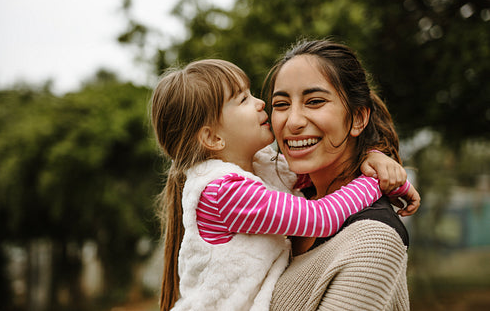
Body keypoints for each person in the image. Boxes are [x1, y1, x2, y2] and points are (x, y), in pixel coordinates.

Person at [151, 59, 419, 311]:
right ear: (213, 137)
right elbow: (320, 217)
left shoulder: (260, 167)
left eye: (253, 94)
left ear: (358, 117)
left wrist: (374, 157)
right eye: (243, 100)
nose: (260, 104)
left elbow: (319, 173)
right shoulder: (226, 192)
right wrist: (375, 181)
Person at [266, 38, 419, 310]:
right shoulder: (283, 200)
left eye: (314, 101)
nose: (293, 121)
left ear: (358, 118)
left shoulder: (373, 241)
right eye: (281, 104)